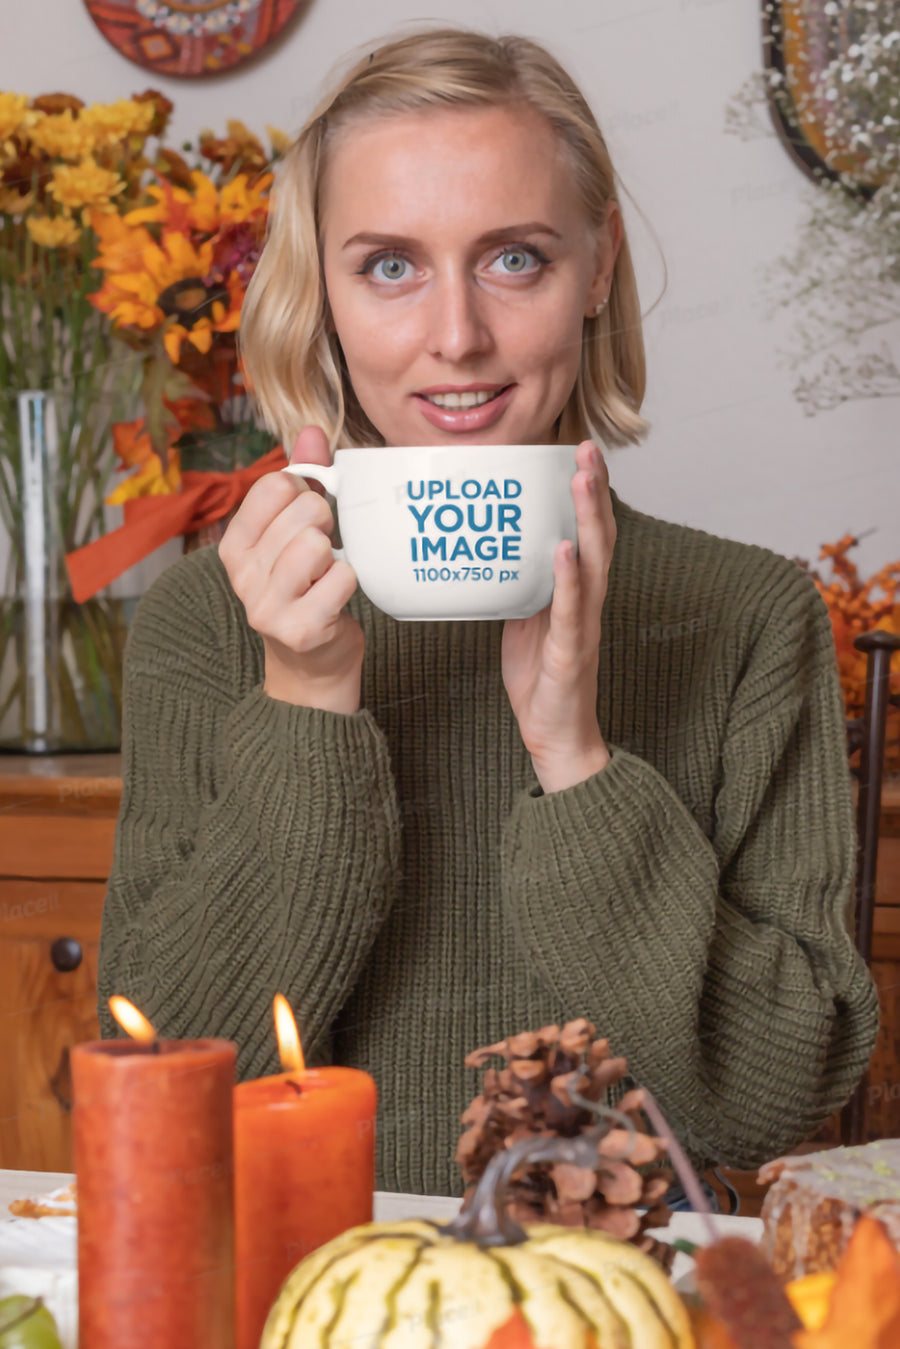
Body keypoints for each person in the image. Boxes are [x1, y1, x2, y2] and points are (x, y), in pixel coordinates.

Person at [97, 26, 879, 1201]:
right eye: (391, 266)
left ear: (598, 265)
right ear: (324, 288)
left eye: (514, 258)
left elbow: (774, 1098)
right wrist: (306, 701)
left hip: (617, 1305)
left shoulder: (746, 613)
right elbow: (164, 1076)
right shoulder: (211, 621)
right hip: (305, 1293)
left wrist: (578, 759)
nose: (455, 336)